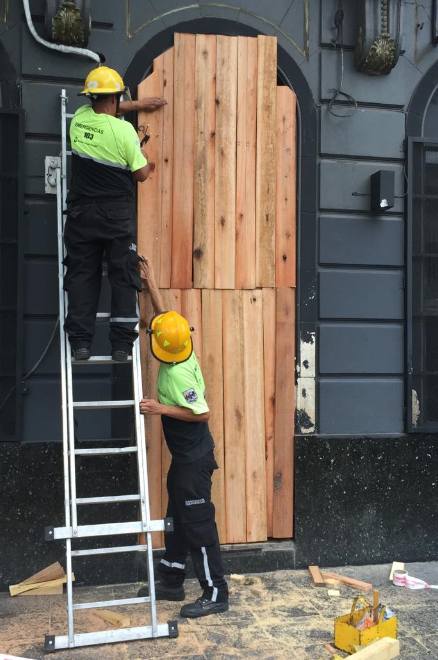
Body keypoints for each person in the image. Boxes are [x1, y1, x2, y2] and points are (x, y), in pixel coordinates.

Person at [137, 258, 229, 618]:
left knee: (198, 523)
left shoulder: (178, 377)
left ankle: (216, 592)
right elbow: (166, 324)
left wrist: (159, 409)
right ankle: (172, 580)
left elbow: (202, 413)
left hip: (194, 459)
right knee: (175, 516)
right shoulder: (182, 346)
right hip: (184, 459)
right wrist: (151, 282)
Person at [64, 65, 165, 362]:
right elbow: (141, 174)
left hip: (81, 215)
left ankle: (81, 343)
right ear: (116, 97)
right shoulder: (124, 132)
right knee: (122, 274)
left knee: (82, 274)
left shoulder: (78, 120)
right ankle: (121, 346)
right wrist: (150, 162)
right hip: (116, 216)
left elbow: (107, 106)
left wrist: (137, 105)